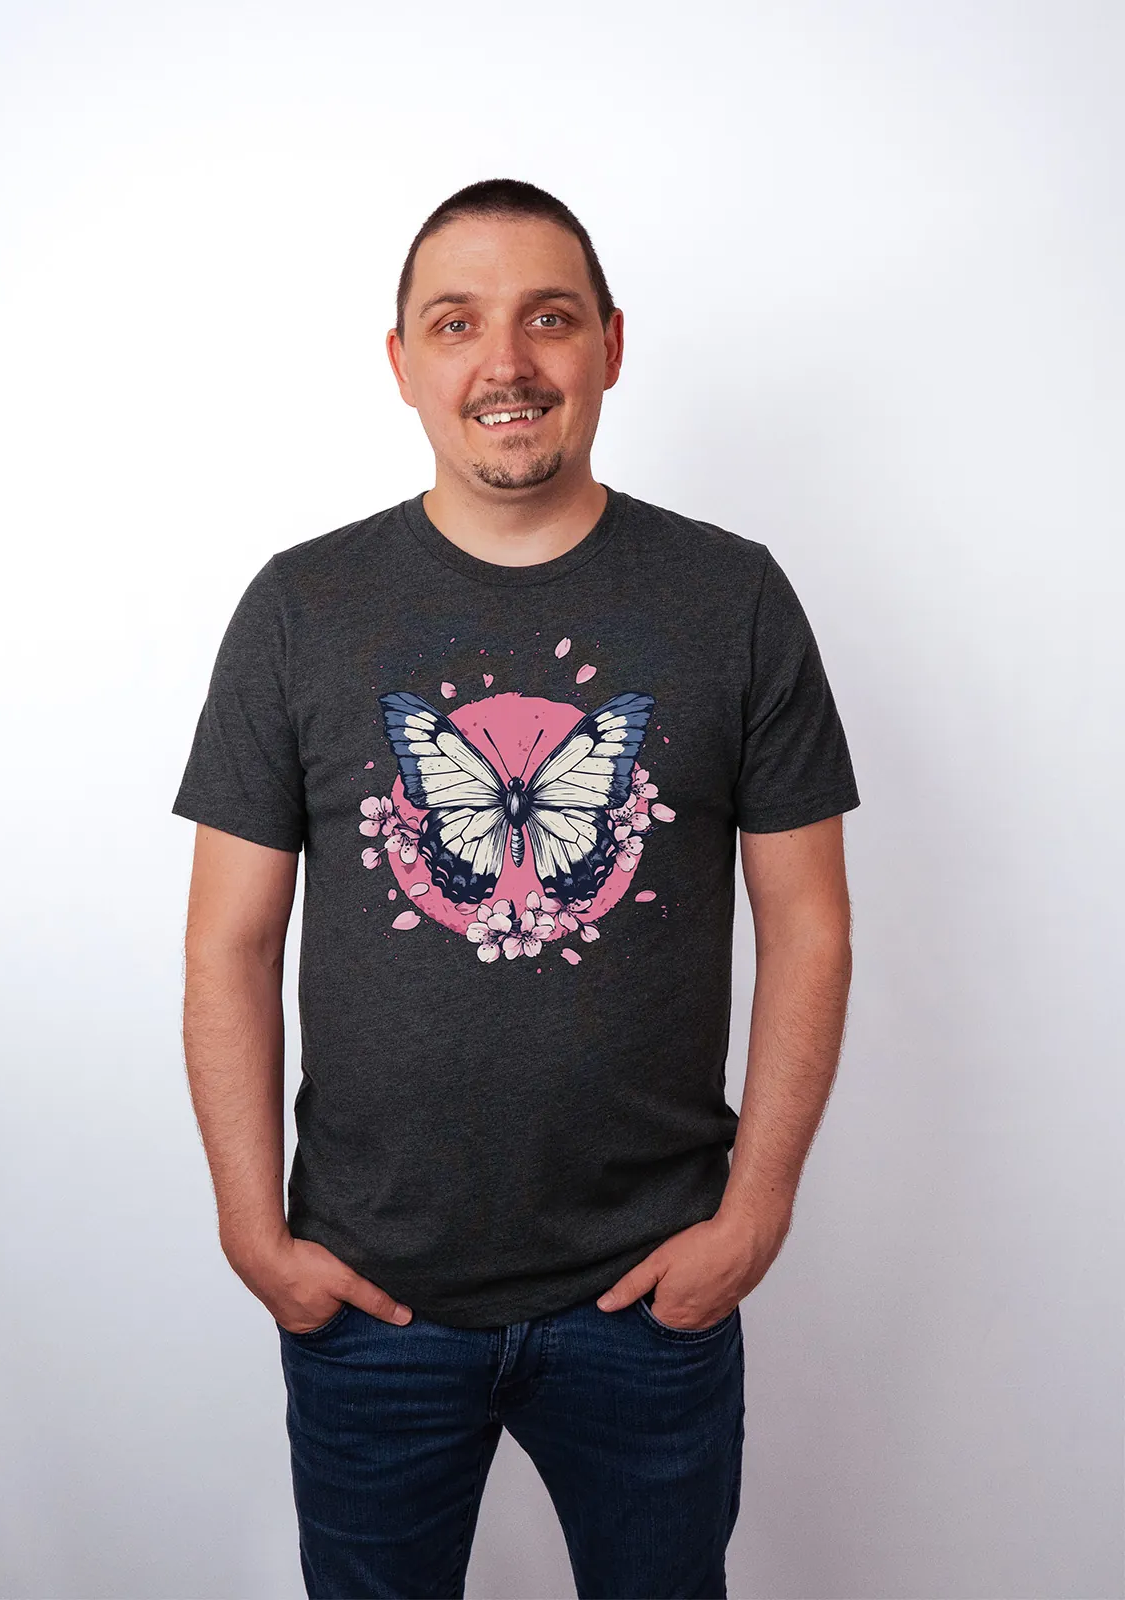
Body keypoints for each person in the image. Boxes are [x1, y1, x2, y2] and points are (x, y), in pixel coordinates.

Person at [172, 177, 859, 1600]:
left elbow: (810, 925)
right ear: (400, 361)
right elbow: (230, 945)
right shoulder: (301, 607)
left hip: (650, 1292)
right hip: (371, 1300)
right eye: (457, 322)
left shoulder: (732, 597)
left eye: (549, 318)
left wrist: (755, 1215)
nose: (507, 362)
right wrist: (254, 1231)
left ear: (611, 344)